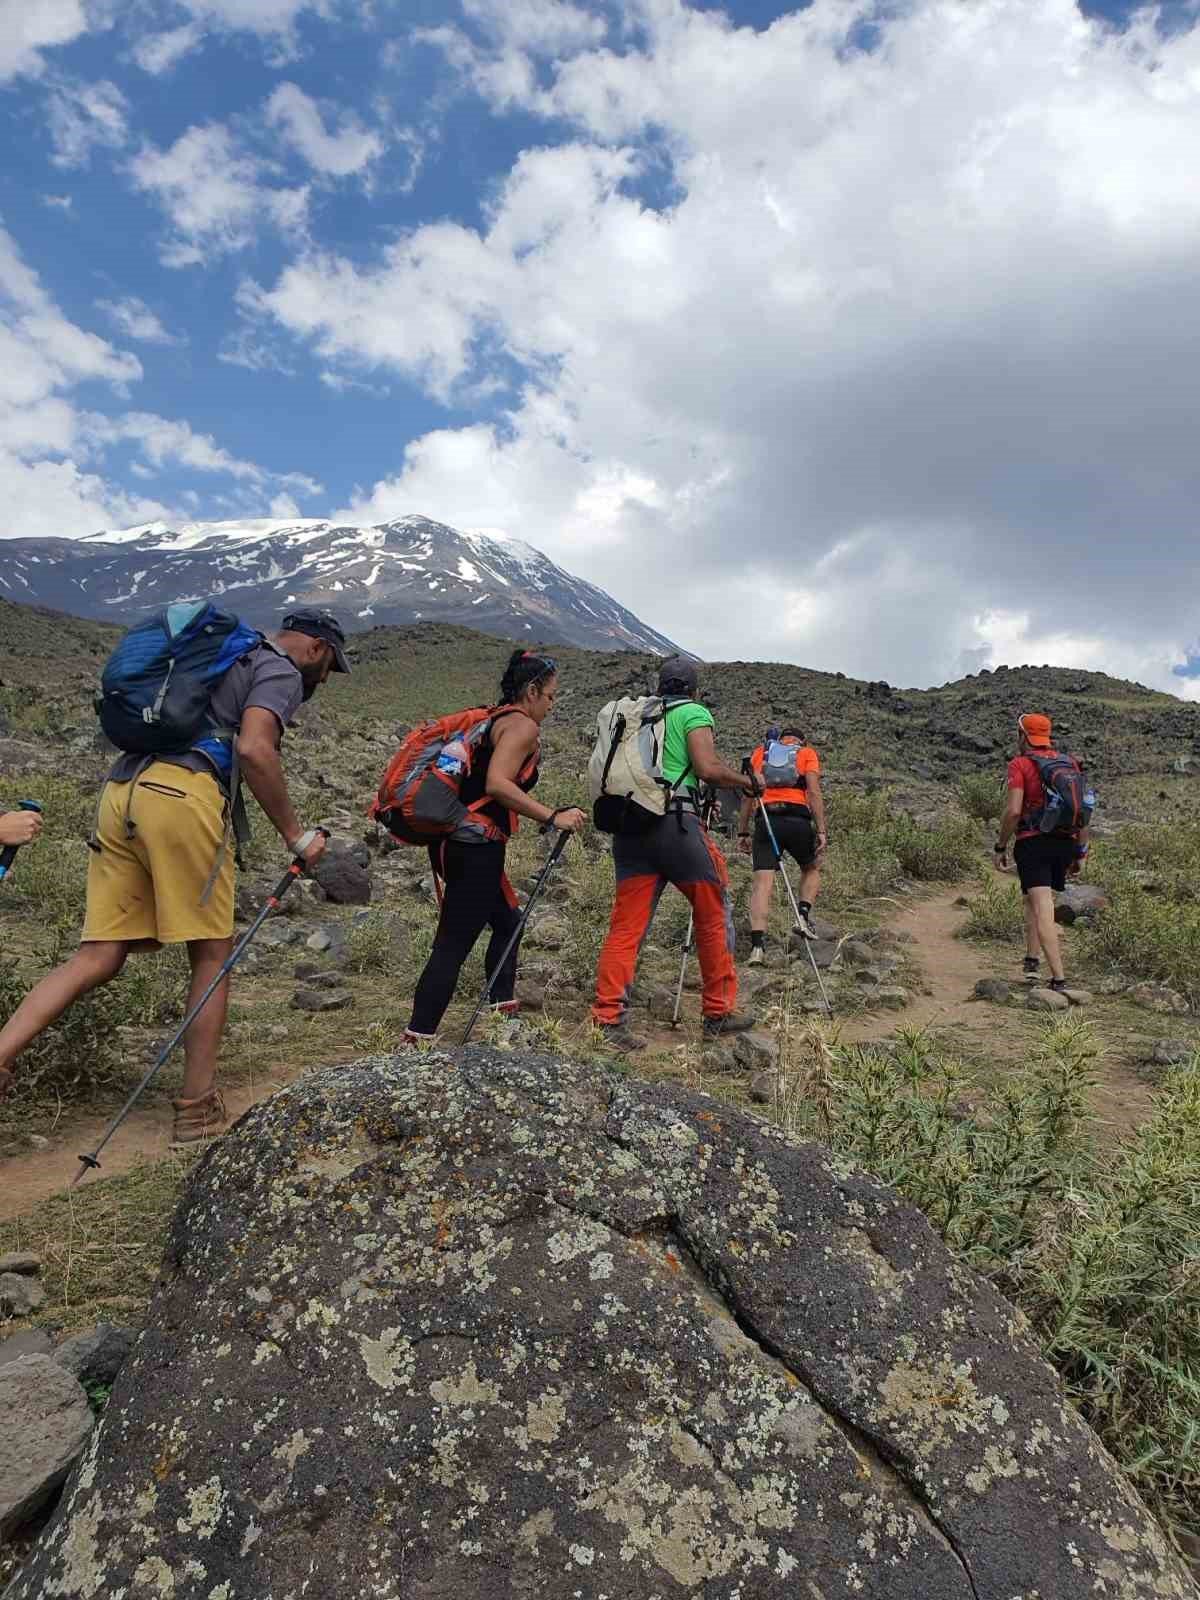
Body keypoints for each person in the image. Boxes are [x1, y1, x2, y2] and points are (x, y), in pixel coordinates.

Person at [0, 607, 344, 1131]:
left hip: (122, 793)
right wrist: (296, 835)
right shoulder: (276, 668)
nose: (323, 678)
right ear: (316, 648)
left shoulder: (215, 659)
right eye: (329, 666)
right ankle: (196, 1108)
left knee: (98, 954)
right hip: (182, 796)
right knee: (211, 954)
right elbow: (254, 749)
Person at [404, 650, 585, 1044]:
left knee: (508, 922)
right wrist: (553, 816)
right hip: (475, 846)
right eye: (551, 695)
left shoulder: (494, 719)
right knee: (454, 942)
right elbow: (498, 785)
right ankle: (417, 1040)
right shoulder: (521, 726)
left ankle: (503, 1018)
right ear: (532, 690)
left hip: (463, 843)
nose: (552, 705)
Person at [592, 656, 761, 1051]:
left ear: (659, 685)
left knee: (627, 926)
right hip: (676, 828)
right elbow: (707, 768)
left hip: (630, 828)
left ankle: (608, 1016)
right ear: (694, 690)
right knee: (713, 913)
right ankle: (718, 1012)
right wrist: (746, 782)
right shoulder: (693, 712)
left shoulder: (639, 715)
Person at [993, 712, 1088, 992]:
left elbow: (1012, 812)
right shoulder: (1069, 763)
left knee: (1042, 906)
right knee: (1031, 899)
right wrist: (1080, 851)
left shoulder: (1020, 764)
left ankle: (1058, 979)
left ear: (1023, 735)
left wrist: (1000, 846)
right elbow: (1083, 810)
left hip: (1033, 843)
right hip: (1064, 842)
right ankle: (1032, 959)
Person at [738, 725, 827, 961]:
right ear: (801, 739)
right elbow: (814, 791)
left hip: (766, 819)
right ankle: (803, 915)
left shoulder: (760, 753)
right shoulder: (806, 753)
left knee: (762, 883)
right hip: (797, 819)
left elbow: (749, 793)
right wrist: (821, 830)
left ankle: (757, 948)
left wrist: (743, 832)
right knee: (811, 866)